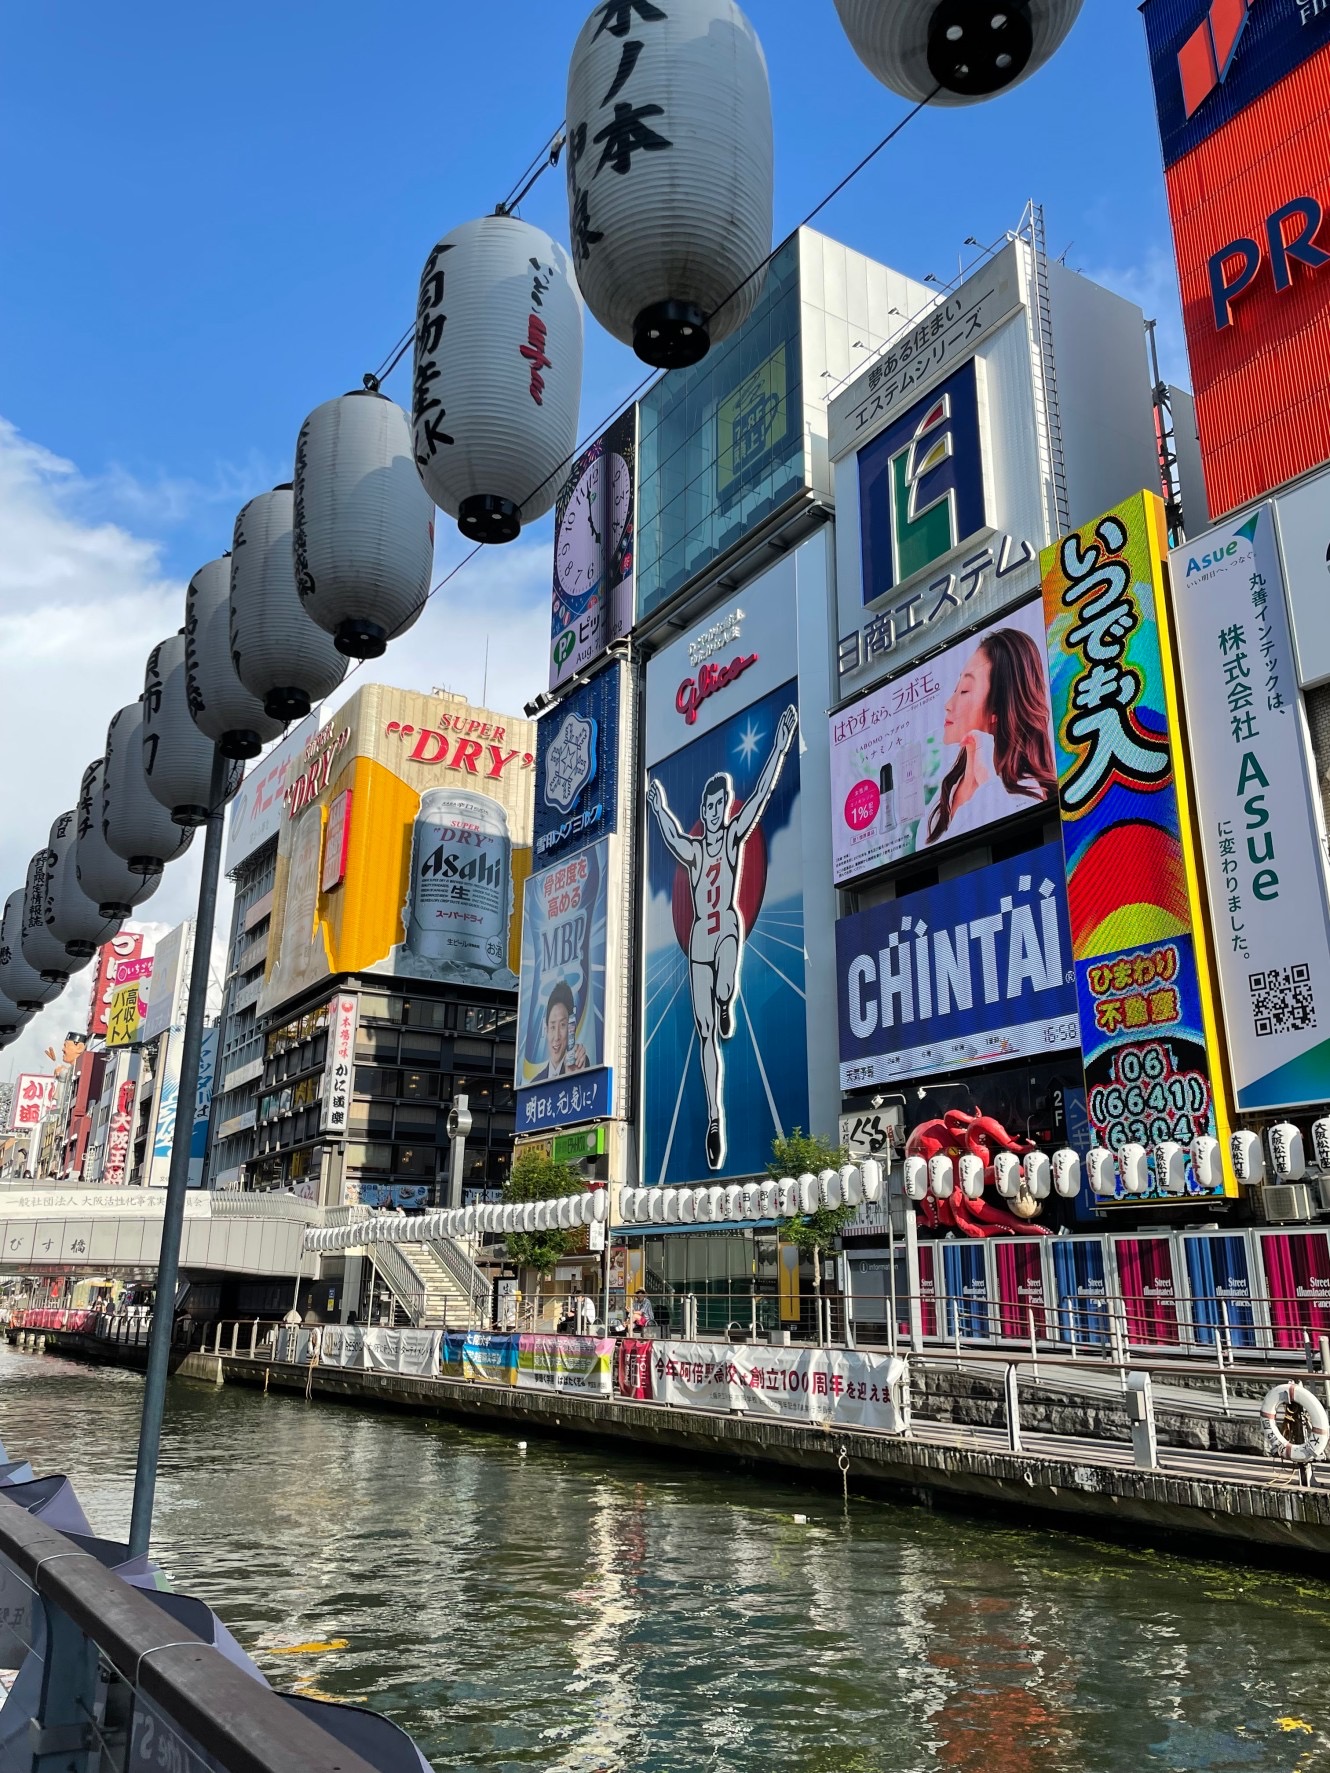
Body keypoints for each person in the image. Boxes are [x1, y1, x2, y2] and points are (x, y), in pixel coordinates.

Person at [646, 704, 799, 1170]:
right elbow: (671, 834)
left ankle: (726, 999)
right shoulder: (693, 851)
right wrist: (656, 807)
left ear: (723, 808)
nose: (714, 813)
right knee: (704, 1034)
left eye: (719, 806)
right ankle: (715, 1117)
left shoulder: (732, 838)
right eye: (708, 808)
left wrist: (779, 745)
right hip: (699, 942)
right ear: (703, 811)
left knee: (725, 988)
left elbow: (762, 796)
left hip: (727, 929)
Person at [922, 626, 1057, 848]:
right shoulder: (944, 794)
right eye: (956, 688)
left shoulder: (1024, 793)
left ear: (998, 707)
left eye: (964, 690)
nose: (948, 705)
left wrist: (987, 779)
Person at [528, 981, 589, 1083]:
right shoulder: (535, 1082)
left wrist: (572, 1076)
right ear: (546, 1029)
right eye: (552, 1027)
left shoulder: (580, 1063)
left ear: (571, 1027)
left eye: (562, 1025)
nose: (556, 1037)